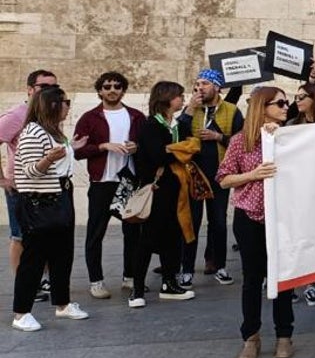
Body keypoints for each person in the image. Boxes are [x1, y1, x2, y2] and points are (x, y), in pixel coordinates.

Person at [217, 86, 296, 358]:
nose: (287, 107)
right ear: (262, 108)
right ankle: (250, 336)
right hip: (249, 217)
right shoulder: (241, 141)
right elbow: (224, 178)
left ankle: (284, 334)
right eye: (280, 103)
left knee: (283, 277)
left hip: (284, 217)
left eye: (288, 102)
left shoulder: (291, 138)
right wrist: (253, 174)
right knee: (252, 278)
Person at [11, 86, 90, 331]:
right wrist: (49, 159)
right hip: (39, 201)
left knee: (62, 255)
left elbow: (60, 163)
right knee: (34, 258)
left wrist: (70, 149)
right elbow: (30, 170)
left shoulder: (53, 131)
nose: (68, 106)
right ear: (52, 105)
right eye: (65, 102)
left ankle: (63, 304)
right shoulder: (33, 132)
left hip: (59, 196)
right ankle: (21, 313)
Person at [73, 72, 145, 300]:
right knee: (95, 233)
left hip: (128, 181)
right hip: (102, 182)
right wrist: (103, 146)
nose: (112, 90)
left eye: (117, 86)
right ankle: (96, 281)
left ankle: (130, 276)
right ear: (100, 91)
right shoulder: (89, 118)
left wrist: (137, 147)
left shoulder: (135, 116)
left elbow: (147, 144)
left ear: (123, 90)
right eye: (107, 87)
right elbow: (77, 151)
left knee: (133, 231)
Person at [129, 81, 196, 307]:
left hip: (177, 189)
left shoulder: (178, 125)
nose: (182, 99)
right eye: (179, 96)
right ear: (167, 98)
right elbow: (157, 155)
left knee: (173, 237)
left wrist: (173, 149)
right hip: (156, 188)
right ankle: (137, 289)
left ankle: (169, 282)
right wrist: (177, 150)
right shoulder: (151, 126)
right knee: (147, 239)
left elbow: (192, 148)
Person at [177, 69, 243, 288]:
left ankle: (220, 266)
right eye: (197, 84)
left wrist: (218, 137)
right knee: (192, 223)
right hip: (193, 174)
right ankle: (186, 270)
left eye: (205, 83)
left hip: (219, 175)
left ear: (216, 87)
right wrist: (189, 109)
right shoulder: (191, 110)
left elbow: (240, 141)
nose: (199, 87)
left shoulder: (231, 110)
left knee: (218, 222)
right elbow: (177, 134)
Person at [1, 69, 57, 286]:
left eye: (53, 87)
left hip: (45, 186)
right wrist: (3, 180)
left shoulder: (49, 114)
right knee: (20, 237)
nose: (49, 91)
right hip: (20, 187)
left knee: (43, 235)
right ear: (30, 89)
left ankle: (41, 279)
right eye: (44, 87)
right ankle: (21, 283)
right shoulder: (17, 115)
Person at [284, 82, 315, 306]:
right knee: (295, 238)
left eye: (303, 96)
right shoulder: (291, 125)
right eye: (296, 96)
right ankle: (292, 283)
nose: (298, 100)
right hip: (295, 191)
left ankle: (312, 285)